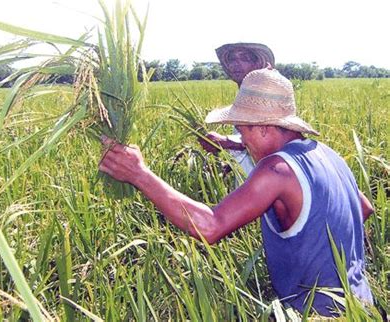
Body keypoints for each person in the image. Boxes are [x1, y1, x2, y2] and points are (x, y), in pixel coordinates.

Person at [99, 68, 374, 316]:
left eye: (243, 132)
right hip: (363, 308)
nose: (241, 140)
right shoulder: (328, 154)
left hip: (318, 314)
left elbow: (210, 227)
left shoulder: (275, 169)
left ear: (265, 128)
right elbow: (363, 208)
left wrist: (140, 174)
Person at [199, 43, 276, 175]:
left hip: (267, 184)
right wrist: (229, 167)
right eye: (232, 59)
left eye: (244, 58)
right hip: (248, 181)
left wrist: (225, 142)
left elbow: (271, 139)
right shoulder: (243, 95)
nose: (236, 64)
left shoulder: (267, 93)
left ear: (257, 64)